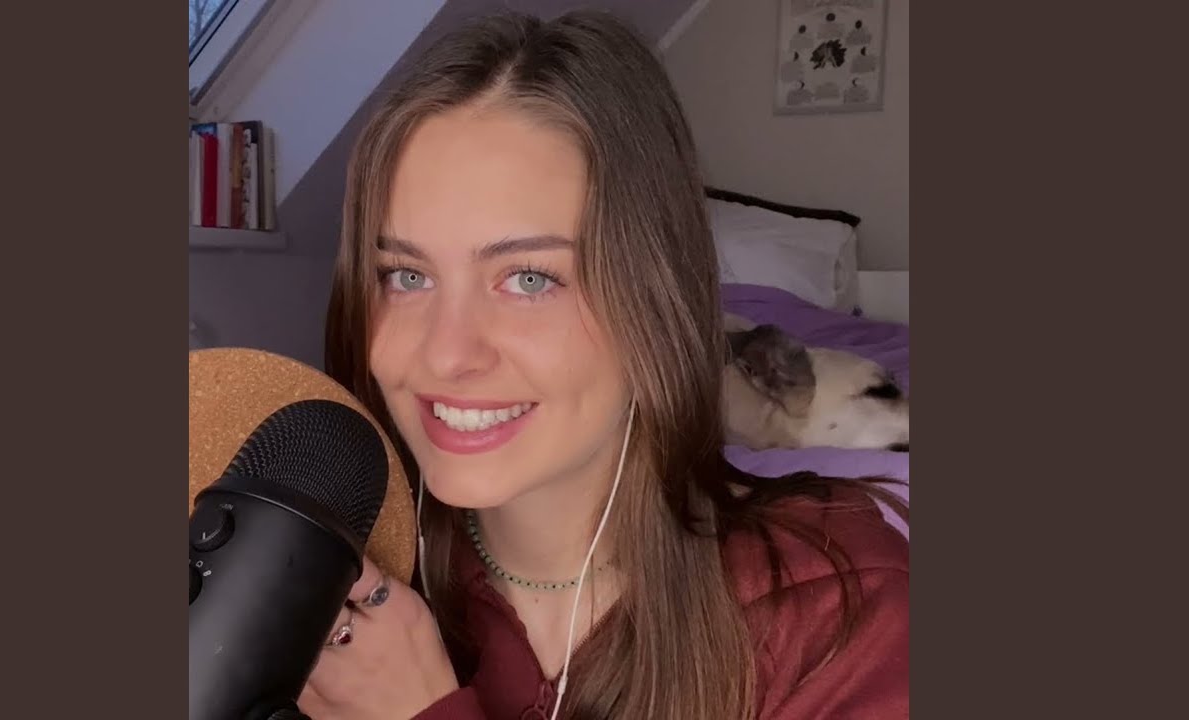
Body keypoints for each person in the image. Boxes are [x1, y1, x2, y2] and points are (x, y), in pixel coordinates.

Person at [308, 10, 908, 720]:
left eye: (529, 278)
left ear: (658, 301)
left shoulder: (838, 608)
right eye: (406, 276)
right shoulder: (331, 575)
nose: (445, 353)